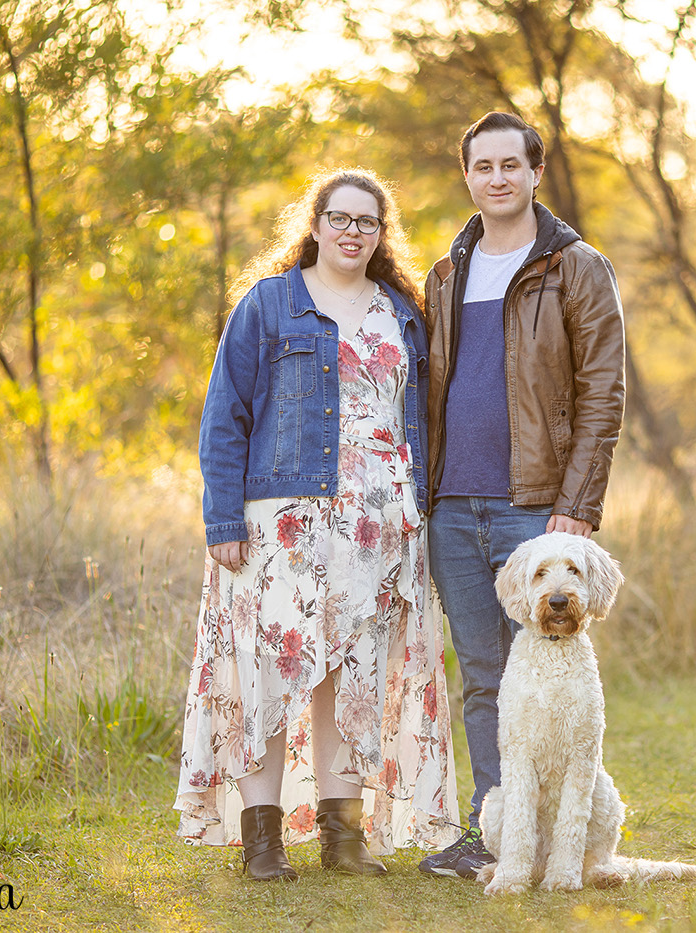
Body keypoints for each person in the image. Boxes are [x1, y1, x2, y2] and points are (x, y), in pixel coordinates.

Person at [175, 168, 458, 881]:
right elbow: (224, 418)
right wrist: (221, 520)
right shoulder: (269, 305)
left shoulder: (401, 312)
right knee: (265, 673)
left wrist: (421, 512)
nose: (353, 231)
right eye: (340, 217)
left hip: (380, 526)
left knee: (353, 677)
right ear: (315, 222)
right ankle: (263, 842)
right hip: (285, 524)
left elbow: (416, 418)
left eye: (368, 221)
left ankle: (343, 837)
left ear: (380, 232)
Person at [417, 112, 627, 879]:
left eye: (513, 164)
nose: (498, 177)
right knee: (482, 673)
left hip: (534, 506)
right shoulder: (447, 272)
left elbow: (602, 393)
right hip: (451, 507)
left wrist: (576, 506)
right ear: (467, 175)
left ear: (537, 172)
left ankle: (557, 838)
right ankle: (498, 833)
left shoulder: (576, 265)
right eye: (483, 166)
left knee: (545, 667)